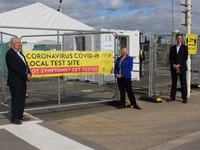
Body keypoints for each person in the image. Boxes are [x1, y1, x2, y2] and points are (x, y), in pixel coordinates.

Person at [6, 36, 32, 125]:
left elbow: (25, 65)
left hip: (22, 80)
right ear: (12, 44)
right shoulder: (10, 54)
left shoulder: (20, 53)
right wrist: (25, 76)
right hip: (15, 81)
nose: (19, 44)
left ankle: (20, 115)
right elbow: (16, 68)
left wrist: (29, 72)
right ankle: (15, 117)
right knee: (16, 100)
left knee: (22, 99)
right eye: (17, 43)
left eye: (20, 43)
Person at [168, 34, 188, 103]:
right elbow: (170, 57)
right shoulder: (172, 48)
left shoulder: (185, 47)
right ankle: (172, 96)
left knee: (183, 83)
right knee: (174, 83)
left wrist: (179, 65)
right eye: (178, 39)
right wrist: (174, 65)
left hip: (182, 68)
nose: (179, 40)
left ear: (182, 39)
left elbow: (185, 58)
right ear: (176, 39)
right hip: (174, 68)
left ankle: (184, 98)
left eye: (180, 39)